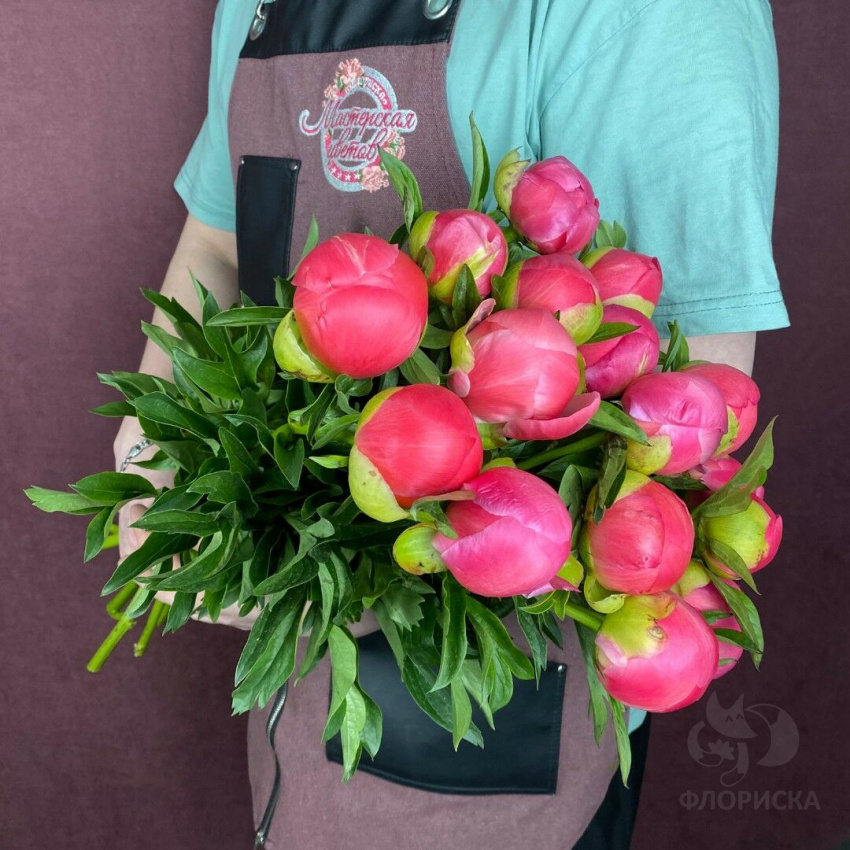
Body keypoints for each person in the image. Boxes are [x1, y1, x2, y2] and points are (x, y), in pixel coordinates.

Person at [113, 0, 790, 847]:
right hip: (287, 699)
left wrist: (300, 581)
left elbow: (680, 422)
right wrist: (153, 446)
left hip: (480, 729)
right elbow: (219, 245)